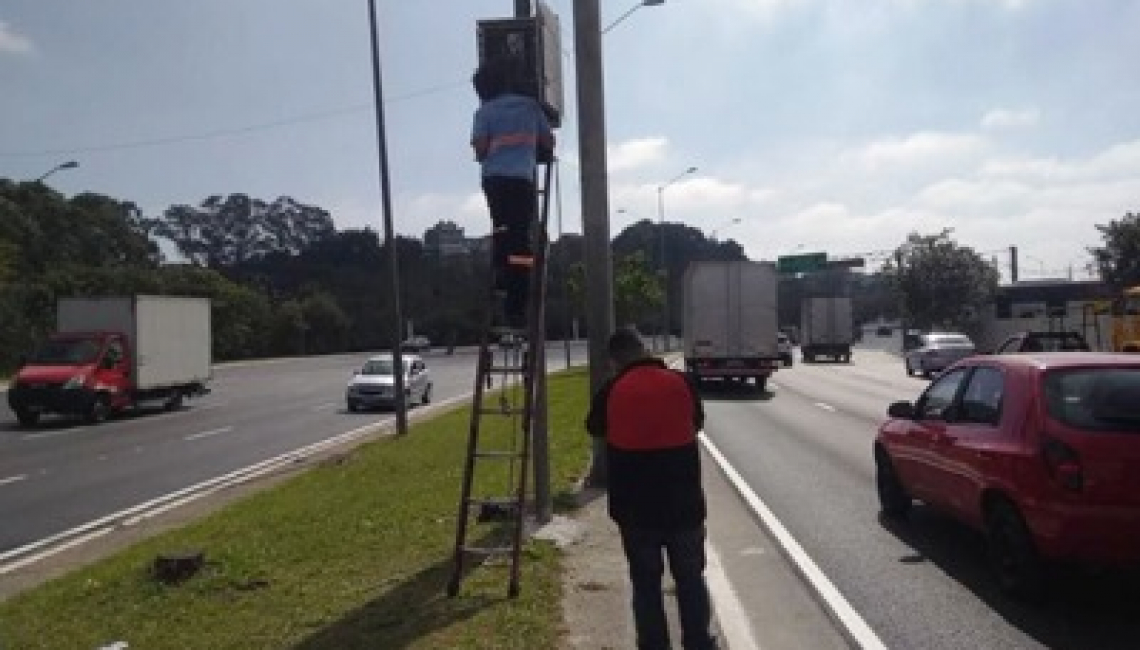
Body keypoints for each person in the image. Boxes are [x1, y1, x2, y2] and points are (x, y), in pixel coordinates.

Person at [585, 328, 718, 650]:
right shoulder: (682, 383)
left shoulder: (613, 390)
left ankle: (654, 644)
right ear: (644, 349)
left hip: (636, 510)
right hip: (684, 505)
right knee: (689, 579)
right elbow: (697, 422)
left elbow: (594, 426)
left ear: (615, 360)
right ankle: (699, 642)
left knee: (646, 584)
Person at [470, 59, 555, 327]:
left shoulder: (484, 113)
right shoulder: (530, 107)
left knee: (502, 229)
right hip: (522, 179)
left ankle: (501, 273)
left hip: (494, 180)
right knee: (521, 238)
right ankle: (516, 301)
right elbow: (548, 141)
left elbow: (481, 150)